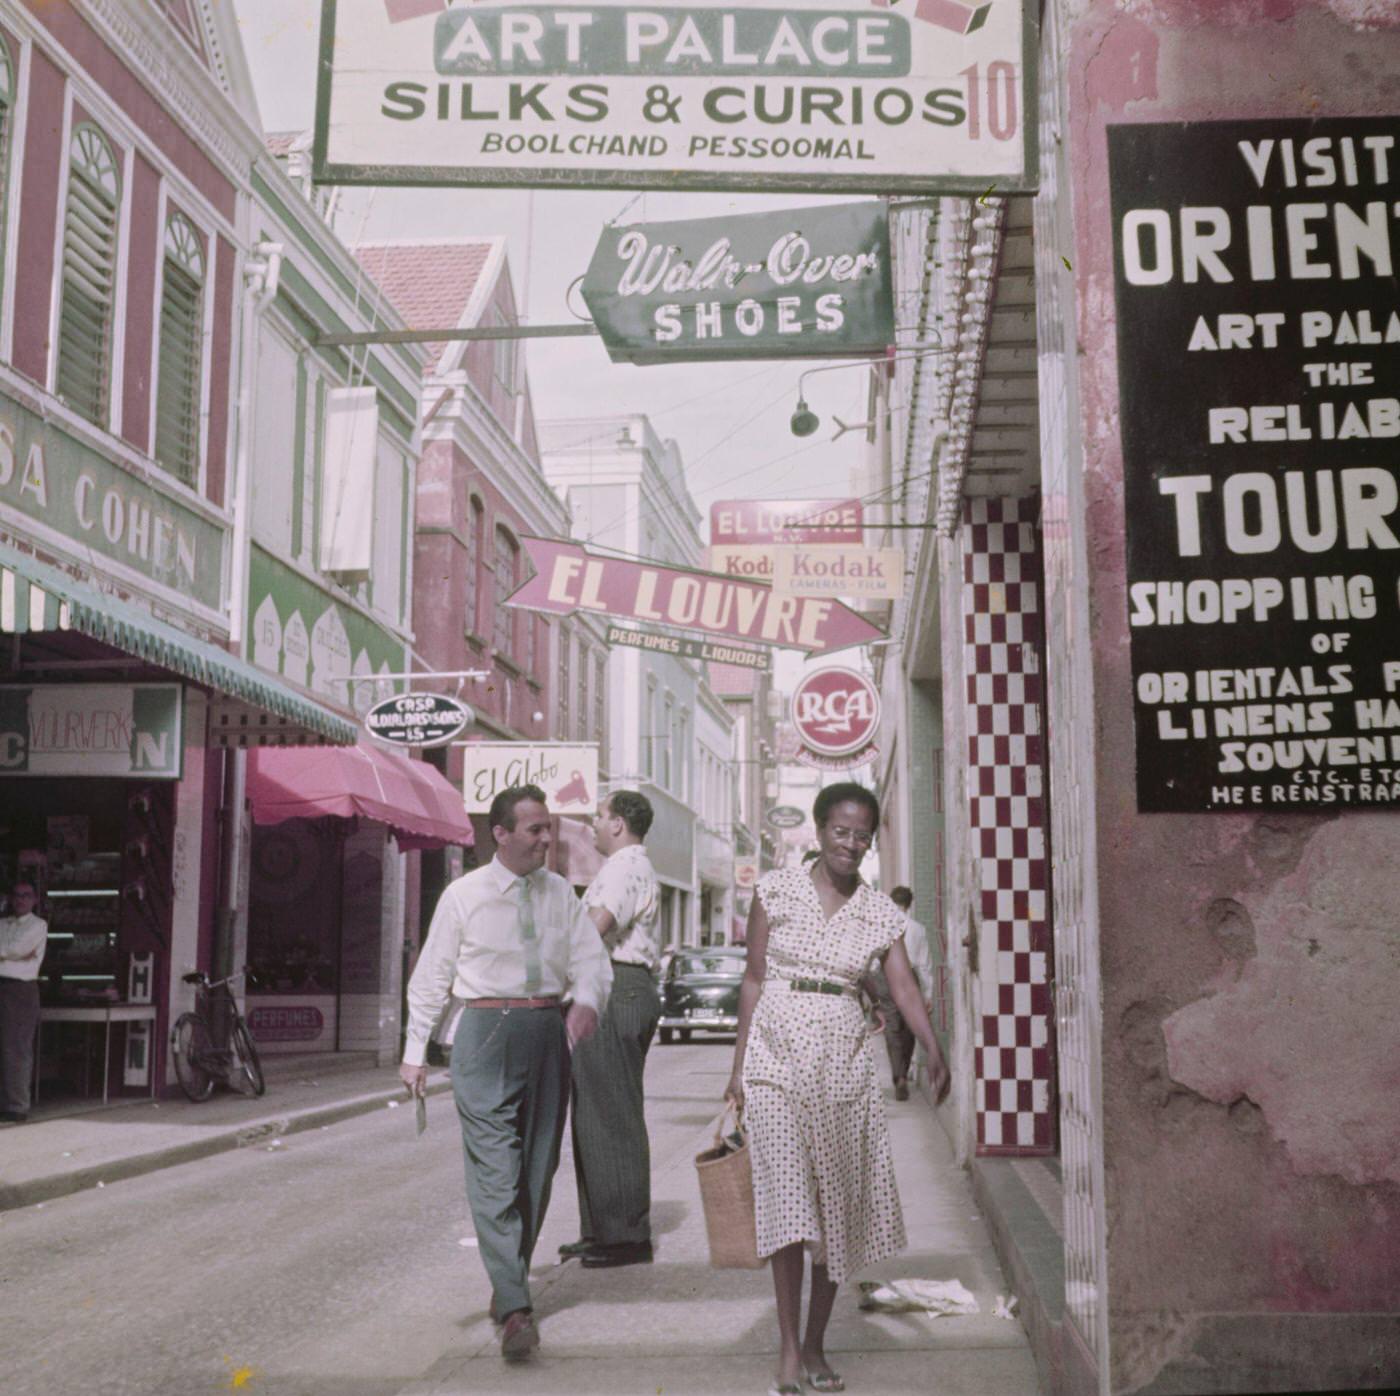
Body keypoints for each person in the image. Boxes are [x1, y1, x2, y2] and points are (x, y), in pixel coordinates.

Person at [725, 784, 950, 1396]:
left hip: (844, 1065)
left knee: (836, 1211)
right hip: (775, 1061)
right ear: (819, 831)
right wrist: (738, 1067)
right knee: (790, 1208)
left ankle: (819, 1344)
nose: (850, 844)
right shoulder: (774, 890)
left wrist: (933, 1046)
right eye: (840, 831)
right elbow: (751, 979)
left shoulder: (879, 911)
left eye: (862, 836)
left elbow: (901, 986)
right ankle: (790, 1353)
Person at [400, 786, 612, 1363]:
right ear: (500, 833)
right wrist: (415, 1049)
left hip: (547, 1031)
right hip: (484, 1032)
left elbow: (591, 955)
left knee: (535, 1170)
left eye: (549, 828)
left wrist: (587, 998)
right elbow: (431, 975)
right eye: (535, 829)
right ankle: (516, 1305)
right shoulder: (464, 896)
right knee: (496, 1170)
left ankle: (506, 1284)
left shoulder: (561, 893)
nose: (547, 839)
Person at [560, 790, 663, 1268]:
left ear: (619, 824)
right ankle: (604, 1227)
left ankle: (624, 1236)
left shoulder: (624, 866)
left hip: (618, 986)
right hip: (616, 987)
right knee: (596, 1112)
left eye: (599, 817)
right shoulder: (624, 865)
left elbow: (598, 924)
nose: (594, 825)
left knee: (611, 1112)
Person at [864, 885, 936, 1101]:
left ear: (891, 901)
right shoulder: (918, 929)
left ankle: (898, 1077)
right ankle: (904, 1070)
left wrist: (874, 986)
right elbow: (924, 965)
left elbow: (873, 958)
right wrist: (928, 993)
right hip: (910, 976)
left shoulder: (881, 926)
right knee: (909, 1028)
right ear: (909, 904)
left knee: (892, 1028)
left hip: (885, 976)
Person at [0, 883, 46, 1125]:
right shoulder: (2, 923)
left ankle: (17, 1105)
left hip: (20, 988)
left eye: (26, 896)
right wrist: (8, 954)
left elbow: (17, 949)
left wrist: (9, 953)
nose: (20, 900)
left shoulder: (37, 925)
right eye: (16, 895)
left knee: (16, 1047)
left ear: (35, 899)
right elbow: (11, 952)